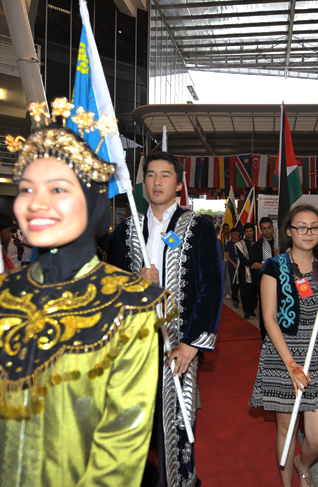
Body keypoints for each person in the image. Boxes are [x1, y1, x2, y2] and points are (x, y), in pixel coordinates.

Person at [0, 100, 171, 487]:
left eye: (58, 188)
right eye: (27, 188)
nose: (36, 202)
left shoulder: (129, 304)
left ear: (92, 203)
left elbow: (120, 458)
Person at [109, 151, 223, 487]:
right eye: (151, 175)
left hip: (178, 345)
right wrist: (135, 287)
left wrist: (192, 344)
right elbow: (113, 291)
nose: (157, 182)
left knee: (176, 428)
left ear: (178, 183)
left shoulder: (197, 227)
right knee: (132, 429)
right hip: (133, 347)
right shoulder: (126, 230)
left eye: (165, 175)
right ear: (143, 183)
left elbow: (212, 287)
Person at [249, 205, 318, 487]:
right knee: (287, 429)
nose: (307, 232)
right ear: (289, 231)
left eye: (314, 227)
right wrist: (291, 365)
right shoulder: (274, 266)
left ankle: (305, 463)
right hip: (283, 352)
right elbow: (269, 320)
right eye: (300, 226)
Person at [249, 216, 278, 338]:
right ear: (260, 230)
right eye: (264, 228)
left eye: (269, 227)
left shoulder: (279, 243)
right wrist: (271, 264)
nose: (267, 231)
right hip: (264, 282)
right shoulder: (257, 245)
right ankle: (265, 336)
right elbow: (253, 264)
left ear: (272, 227)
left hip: (281, 281)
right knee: (266, 310)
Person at [235, 222, 255, 318]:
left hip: (255, 271)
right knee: (245, 293)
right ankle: (246, 311)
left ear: (253, 231)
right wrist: (252, 263)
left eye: (250, 231)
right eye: (247, 231)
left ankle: (252, 310)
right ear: (244, 233)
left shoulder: (257, 243)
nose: (249, 233)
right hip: (244, 271)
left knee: (254, 293)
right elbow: (243, 260)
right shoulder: (240, 245)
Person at [225, 228, 241, 307]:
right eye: (233, 234)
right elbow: (227, 256)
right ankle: (235, 298)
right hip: (232, 265)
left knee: (240, 281)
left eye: (236, 233)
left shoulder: (241, 242)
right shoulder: (229, 244)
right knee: (233, 281)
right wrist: (233, 264)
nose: (235, 235)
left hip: (240, 264)